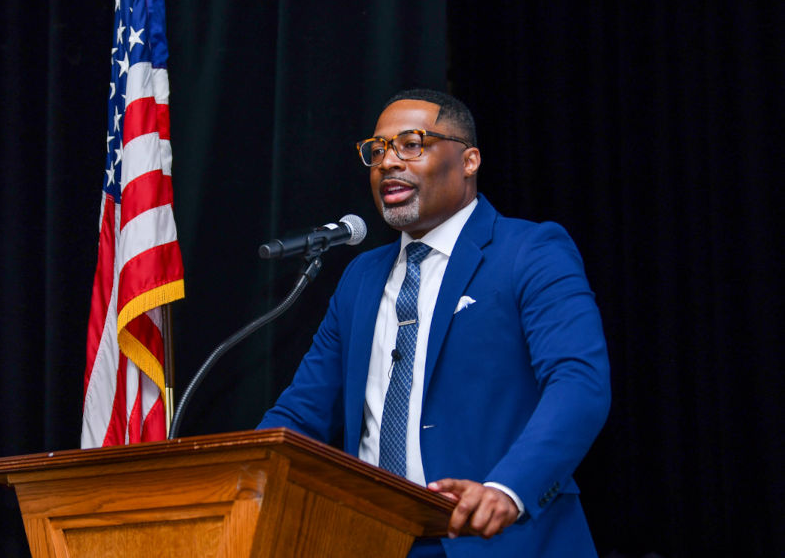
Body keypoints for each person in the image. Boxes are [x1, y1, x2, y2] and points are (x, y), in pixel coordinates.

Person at [257, 88, 611, 557]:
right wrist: (240, 477)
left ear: (469, 161)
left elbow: (578, 383)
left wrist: (508, 490)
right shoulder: (361, 277)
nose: (388, 162)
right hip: (374, 540)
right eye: (377, 151)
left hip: (496, 540)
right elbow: (302, 414)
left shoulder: (530, 251)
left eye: (411, 144)